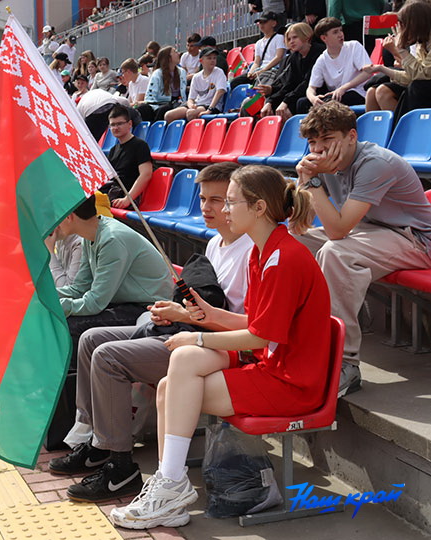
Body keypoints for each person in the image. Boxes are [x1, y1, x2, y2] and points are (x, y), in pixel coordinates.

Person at [110, 165, 328, 530]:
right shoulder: (264, 251)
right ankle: (170, 486)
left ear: (258, 208)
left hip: (292, 383)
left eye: (230, 202)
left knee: (183, 361)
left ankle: (170, 488)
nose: (224, 211)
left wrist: (198, 335)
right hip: (272, 367)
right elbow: (258, 325)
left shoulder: (282, 258)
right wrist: (206, 316)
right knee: (169, 384)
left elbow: (260, 337)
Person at [51, 163, 254, 503]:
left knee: (107, 355)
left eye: (220, 200)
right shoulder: (217, 244)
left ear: (245, 203)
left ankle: (120, 467)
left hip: (219, 345)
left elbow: (248, 323)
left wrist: (184, 315)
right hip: (189, 328)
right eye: (203, 199)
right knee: (91, 340)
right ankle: (96, 441)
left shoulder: (253, 252)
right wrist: (175, 313)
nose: (207, 208)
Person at [293, 101, 431, 396]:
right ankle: (289, 336)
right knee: (290, 244)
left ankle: (345, 362)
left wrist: (314, 181)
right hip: (372, 230)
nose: (319, 150)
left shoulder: (375, 163)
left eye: (328, 140)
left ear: (351, 137)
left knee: (335, 252)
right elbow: (301, 223)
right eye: (313, 143)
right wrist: (304, 180)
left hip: (416, 239)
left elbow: (337, 230)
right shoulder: (327, 163)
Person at [56, 195, 173, 364]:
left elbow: (95, 303)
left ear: (68, 216)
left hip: (146, 308)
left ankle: (74, 386)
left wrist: (55, 306)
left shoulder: (112, 239)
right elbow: (79, 289)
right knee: (61, 320)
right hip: (121, 302)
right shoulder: (89, 237)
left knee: (69, 326)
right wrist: (42, 295)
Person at [362, 0, 431, 120]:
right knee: (374, 91)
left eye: (403, 25)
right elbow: (412, 75)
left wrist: (400, 50)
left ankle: (407, 131)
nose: (401, 29)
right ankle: (381, 136)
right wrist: (381, 68)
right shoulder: (422, 43)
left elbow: (422, 74)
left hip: (423, 87)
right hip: (420, 82)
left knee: (414, 87)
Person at [299, 17, 372, 113]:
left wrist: (343, 88)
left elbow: (368, 72)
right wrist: (313, 98)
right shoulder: (322, 59)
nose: (340, 34)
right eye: (335, 32)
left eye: (341, 31)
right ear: (324, 38)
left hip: (358, 92)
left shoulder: (354, 46)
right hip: (336, 96)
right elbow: (311, 87)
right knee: (302, 103)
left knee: (334, 101)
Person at [258, 22, 325, 119]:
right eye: (289, 39)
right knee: (272, 107)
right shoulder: (294, 57)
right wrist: (270, 101)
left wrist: (286, 102)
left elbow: (307, 82)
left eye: (295, 37)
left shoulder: (319, 52)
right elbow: (289, 84)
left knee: (292, 106)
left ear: (306, 36)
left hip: (317, 91)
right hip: (300, 92)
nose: (291, 42)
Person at [103, 105, 153, 208]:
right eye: (112, 125)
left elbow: (146, 174)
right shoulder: (113, 149)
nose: (115, 128)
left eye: (119, 124)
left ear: (130, 124)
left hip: (126, 197)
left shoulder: (140, 145)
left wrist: (127, 199)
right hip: (112, 193)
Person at [165, 46, 228, 123]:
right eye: (209, 58)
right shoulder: (196, 77)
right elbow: (191, 98)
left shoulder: (219, 72)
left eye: (214, 58)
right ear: (201, 60)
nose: (212, 60)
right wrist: (191, 105)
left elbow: (220, 91)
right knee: (168, 115)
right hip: (197, 104)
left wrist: (210, 109)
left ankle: (193, 133)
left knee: (190, 113)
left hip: (210, 105)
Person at [232, 12, 287, 90]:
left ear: (274, 23)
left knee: (261, 81)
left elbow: (279, 57)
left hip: (273, 70)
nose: (261, 25)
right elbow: (257, 62)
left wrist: (262, 70)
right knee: (235, 82)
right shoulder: (258, 42)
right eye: (260, 22)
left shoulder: (279, 38)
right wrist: (251, 72)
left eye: (264, 22)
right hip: (260, 71)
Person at [141, 47, 188, 121]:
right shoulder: (157, 74)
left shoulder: (182, 72)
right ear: (168, 58)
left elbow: (182, 95)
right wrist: (155, 108)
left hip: (176, 104)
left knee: (165, 109)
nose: (178, 54)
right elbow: (150, 97)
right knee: (142, 108)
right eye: (175, 52)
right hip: (159, 104)